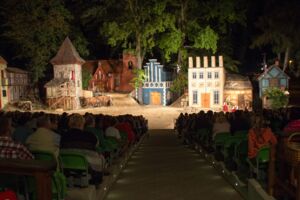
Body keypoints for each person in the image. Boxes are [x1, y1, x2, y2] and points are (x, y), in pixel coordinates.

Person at [60, 114, 104, 185]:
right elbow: (96, 147)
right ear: (82, 124)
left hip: (67, 163)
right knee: (100, 157)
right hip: (86, 164)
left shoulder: (63, 136)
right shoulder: (90, 136)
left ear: (70, 124)